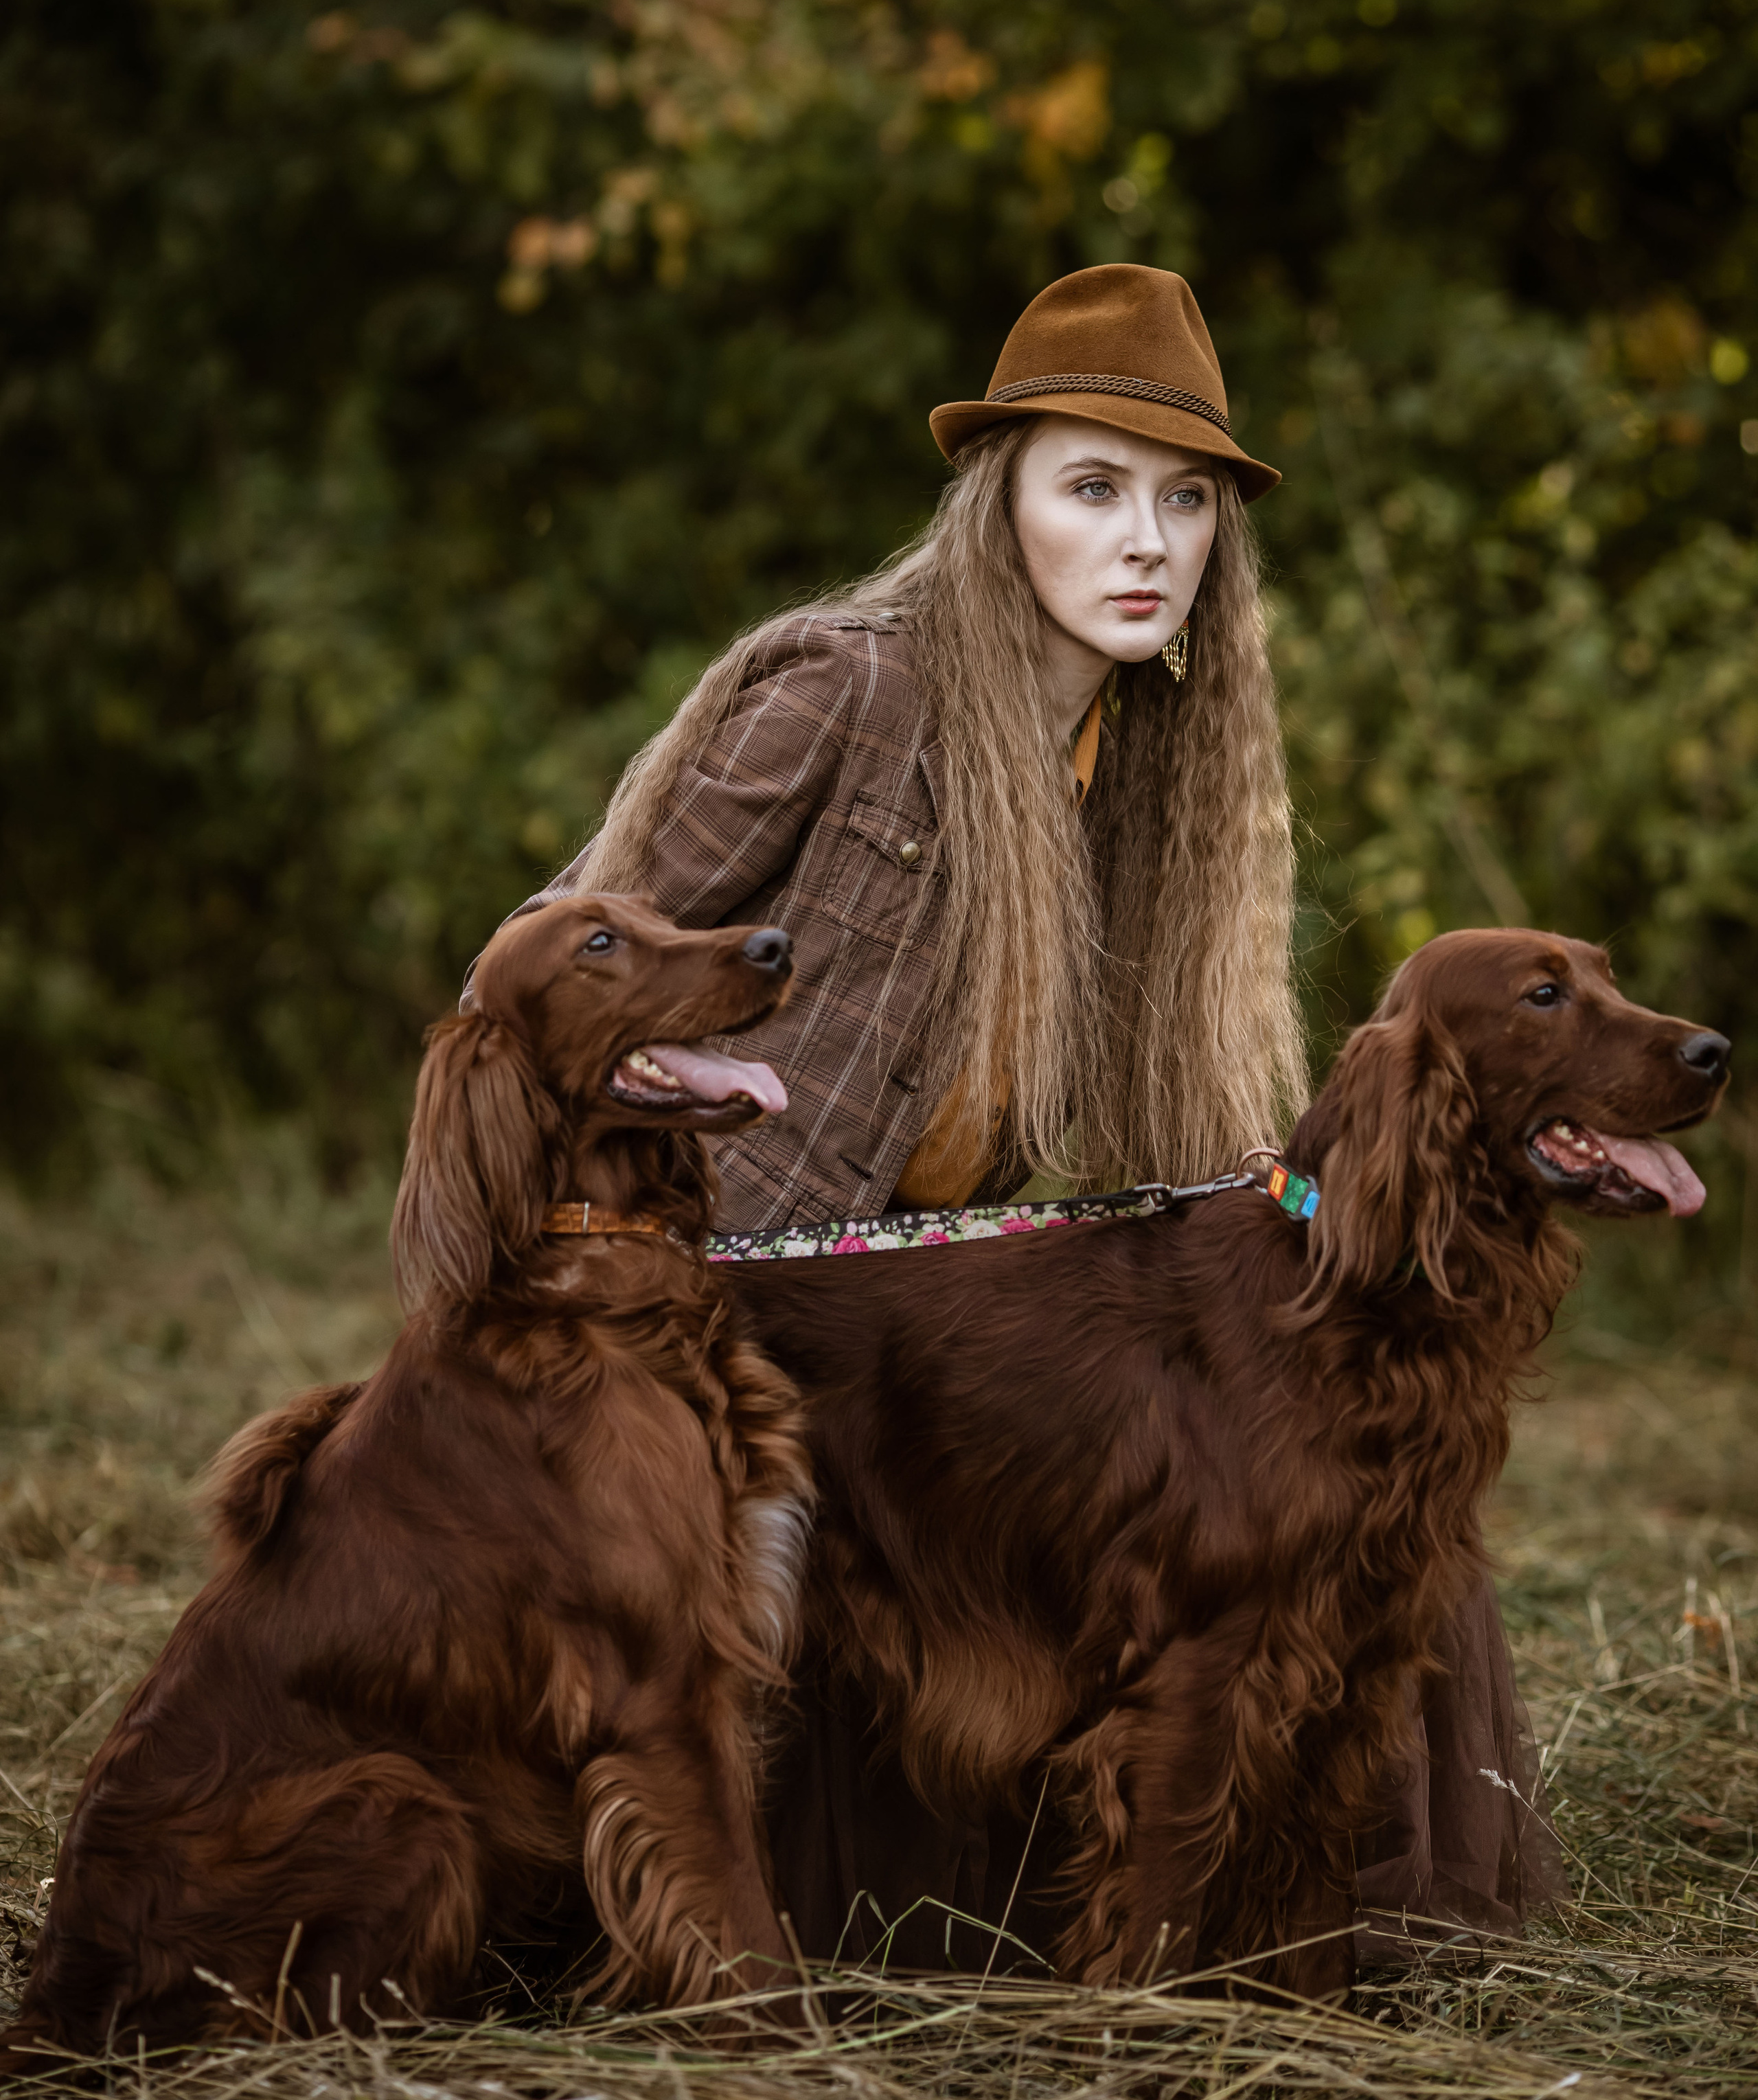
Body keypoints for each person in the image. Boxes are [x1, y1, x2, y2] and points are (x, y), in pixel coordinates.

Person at [484, 262, 1557, 1967]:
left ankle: (1298, 1923)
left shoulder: (1155, 767)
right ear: (998, 506)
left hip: (913, 1294)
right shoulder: (845, 687)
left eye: (1185, 503)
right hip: (732, 1301)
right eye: (1093, 489)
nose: (1147, 542)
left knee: (1345, 1451)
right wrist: (596, 1245)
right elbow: (553, 974)